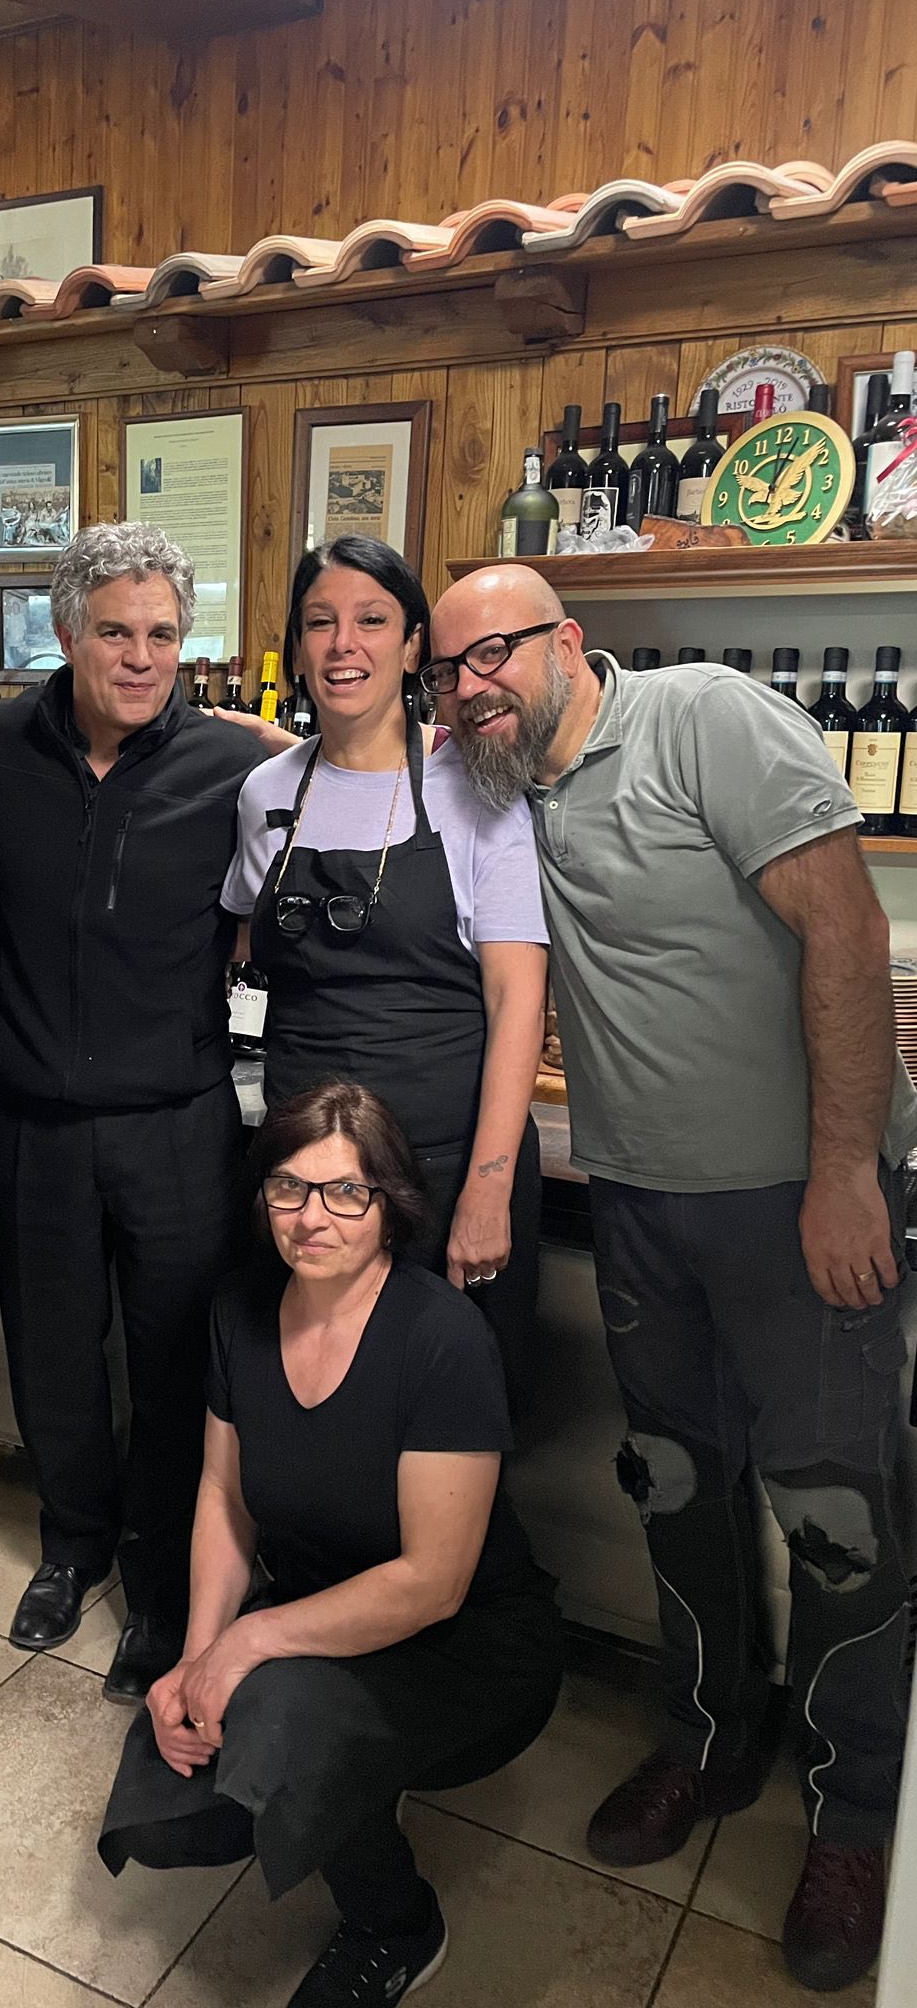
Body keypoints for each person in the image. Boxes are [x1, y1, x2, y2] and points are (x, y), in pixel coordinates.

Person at [429, 563, 917, 1994]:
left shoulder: (707, 719)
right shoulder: (499, 781)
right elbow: (340, 754)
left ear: (569, 642)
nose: (471, 687)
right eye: (449, 671)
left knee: (835, 1514)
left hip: (796, 1202)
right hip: (643, 1204)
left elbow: (850, 932)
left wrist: (845, 1171)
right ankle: (710, 1739)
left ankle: (856, 1811)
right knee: (680, 1487)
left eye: (495, 653)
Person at [98, 1082, 562, 2008]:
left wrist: (248, 1642)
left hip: (467, 1643)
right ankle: (346, 1763)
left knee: (284, 1726)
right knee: (167, 1807)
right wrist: (195, 1659)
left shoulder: (442, 1337)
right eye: (288, 1188)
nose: (311, 1217)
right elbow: (223, 1495)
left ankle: (397, 1925)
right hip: (320, 1609)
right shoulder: (240, 1310)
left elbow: (432, 1583)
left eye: (346, 1191)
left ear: (391, 1205)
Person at [0, 521, 261, 1702]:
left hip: (179, 1118)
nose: (141, 657)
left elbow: (341, 774)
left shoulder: (231, 763)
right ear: (66, 630)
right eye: (116, 632)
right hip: (33, 1116)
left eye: (163, 635)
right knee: (51, 1352)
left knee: (175, 1358)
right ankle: (73, 1540)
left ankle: (160, 1578)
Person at [221, 536, 548, 1401]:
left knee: (447, 1409)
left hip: (443, 1166)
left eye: (372, 620)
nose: (343, 644)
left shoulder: (476, 787)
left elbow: (518, 999)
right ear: (296, 649)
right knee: (312, 1399)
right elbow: (243, 944)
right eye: (319, 622)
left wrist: (488, 1190)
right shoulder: (266, 793)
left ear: (411, 647)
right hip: (304, 1178)